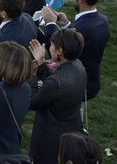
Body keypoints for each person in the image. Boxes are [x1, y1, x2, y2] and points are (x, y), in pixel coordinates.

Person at [42, 0, 110, 100]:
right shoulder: (103, 20)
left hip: (75, 84)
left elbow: (56, 50)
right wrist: (67, 24)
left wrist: (50, 24)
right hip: (92, 78)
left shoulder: (79, 28)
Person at [28, 29, 87, 164]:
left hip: (51, 135)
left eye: (52, 45)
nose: (50, 47)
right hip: (71, 127)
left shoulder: (55, 83)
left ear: (59, 51)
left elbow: (33, 102)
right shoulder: (78, 65)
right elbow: (55, 82)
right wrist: (42, 63)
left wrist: (33, 73)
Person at [0, 0, 37, 84]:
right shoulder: (27, 17)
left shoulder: (1, 40)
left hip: (7, 80)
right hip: (26, 68)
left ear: (4, 14)